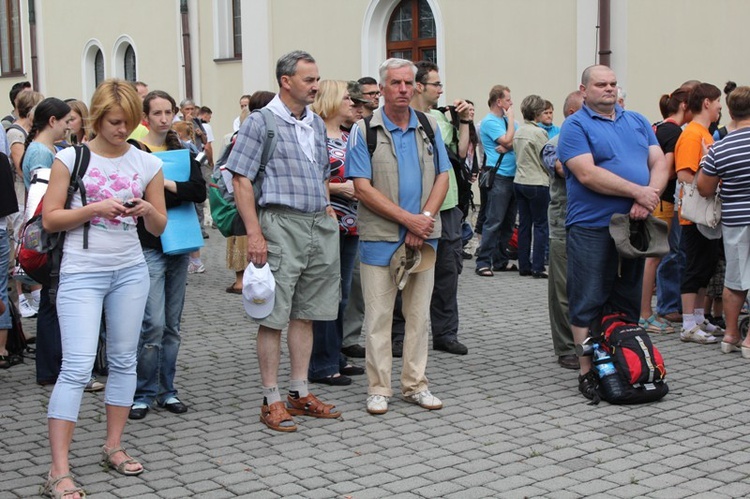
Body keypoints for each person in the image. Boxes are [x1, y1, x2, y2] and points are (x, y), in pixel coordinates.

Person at [41, 79, 167, 499]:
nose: (122, 130)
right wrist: (94, 209)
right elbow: (50, 219)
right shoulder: (70, 159)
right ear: (97, 118)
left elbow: (159, 226)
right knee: (76, 367)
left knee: (124, 360)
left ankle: (113, 446)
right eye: (115, 122)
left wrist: (149, 209)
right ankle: (58, 470)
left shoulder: (146, 162)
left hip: (130, 269)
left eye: (130, 123)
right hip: (81, 272)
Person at [227, 50, 342, 433]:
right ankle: (271, 398)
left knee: (305, 312)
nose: (316, 86)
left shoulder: (314, 122)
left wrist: (325, 206)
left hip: (316, 224)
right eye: (308, 79)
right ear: (285, 81)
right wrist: (254, 232)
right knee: (273, 315)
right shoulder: (261, 122)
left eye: (317, 79)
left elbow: (324, 172)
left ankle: (299, 391)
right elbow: (240, 178)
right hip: (279, 224)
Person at [557, 65, 667, 400]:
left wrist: (648, 199)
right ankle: (587, 371)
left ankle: (621, 358)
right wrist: (638, 192)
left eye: (613, 84)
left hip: (634, 223)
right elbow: (587, 174)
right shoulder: (574, 126)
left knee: (627, 297)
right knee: (587, 297)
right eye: (601, 84)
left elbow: (660, 163)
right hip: (592, 225)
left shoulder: (636, 120)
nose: (609, 89)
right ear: (584, 89)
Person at [347, 58, 450, 415]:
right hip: (380, 237)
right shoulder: (364, 131)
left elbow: (443, 177)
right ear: (383, 88)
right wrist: (409, 220)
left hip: (424, 236)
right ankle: (379, 388)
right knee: (379, 317)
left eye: (409, 83)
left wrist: (423, 220)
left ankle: (415, 384)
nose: (404, 89)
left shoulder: (429, 126)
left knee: (419, 316)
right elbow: (362, 187)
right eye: (396, 83)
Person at [129, 90, 207, 420]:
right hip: (148, 244)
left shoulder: (182, 151)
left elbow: (198, 191)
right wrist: (170, 190)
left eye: (168, 112)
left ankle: (167, 390)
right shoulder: (135, 151)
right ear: (146, 117)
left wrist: (166, 186)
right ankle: (143, 392)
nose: (163, 118)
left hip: (178, 244)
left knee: (172, 325)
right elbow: (135, 196)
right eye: (157, 113)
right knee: (152, 324)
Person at [409, 60, 470, 355]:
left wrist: (466, 121)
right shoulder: (408, 117)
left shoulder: (444, 118)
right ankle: (400, 334)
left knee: (448, 271)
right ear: (419, 86)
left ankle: (446, 333)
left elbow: (459, 152)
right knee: (408, 271)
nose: (441, 90)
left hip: (448, 205)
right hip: (418, 205)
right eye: (437, 84)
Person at [307, 80, 365, 385]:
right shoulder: (312, 135)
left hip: (351, 224)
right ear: (330, 101)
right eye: (346, 98)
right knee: (325, 295)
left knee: (341, 296)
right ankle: (321, 363)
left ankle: (336, 356)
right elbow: (306, 178)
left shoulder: (349, 135)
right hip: (327, 222)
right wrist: (337, 187)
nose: (352, 104)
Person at [697, 85, 750, 356]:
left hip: (735, 219)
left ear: (729, 110)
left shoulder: (722, 146)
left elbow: (705, 188)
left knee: (735, 278)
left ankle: (730, 336)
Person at [674, 83, 724, 344]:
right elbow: (684, 173)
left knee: (706, 265)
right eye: (717, 102)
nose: (720, 108)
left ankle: (698, 317)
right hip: (694, 214)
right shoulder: (694, 134)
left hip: (705, 214)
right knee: (695, 267)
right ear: (706, 102)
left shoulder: (703, 132)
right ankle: (688, 324)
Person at [640, 87, 692, 334]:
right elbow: (668, 169)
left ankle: (646, 312)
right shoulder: (672, 131)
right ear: (684, 106)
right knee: (655, 257)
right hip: (663, 199)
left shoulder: (659, 126)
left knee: (655, 257)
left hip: (658, 198)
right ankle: (645, 314)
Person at [541, 90, 584, 370]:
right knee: (562, 289)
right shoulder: (554, 143)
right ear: (571, 114)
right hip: (563, 224)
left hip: (593, 224)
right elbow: (560, 168)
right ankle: (566, 346)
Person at [224, 91, 275, 295]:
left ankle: (243, 278)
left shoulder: (248, 127)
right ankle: (242, 278)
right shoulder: (251, 130)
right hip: (249, 189)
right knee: (243, 231)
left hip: (250, 190)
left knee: (243, 231)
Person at [475, 84, 518, 276]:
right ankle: (483, 262)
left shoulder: (511, 124)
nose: (511, 103)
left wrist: (509, 144)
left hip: (513, 175)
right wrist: (510, 121)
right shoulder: (489, 122)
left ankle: (500, 260)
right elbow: (508, 140)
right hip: (499, 175)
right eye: (508, 100)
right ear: (499, 102)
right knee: (494, 220)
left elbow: (516, 142)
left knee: (508, 222)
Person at [513, 94, 550, 279]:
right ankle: (537, 266)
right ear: (537, 113)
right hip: (537, 182)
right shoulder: (539, 133)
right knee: (541, 225)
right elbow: (546, 158)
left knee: (524, 225)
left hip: (519, 180)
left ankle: (523, 265)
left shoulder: (518, 131)